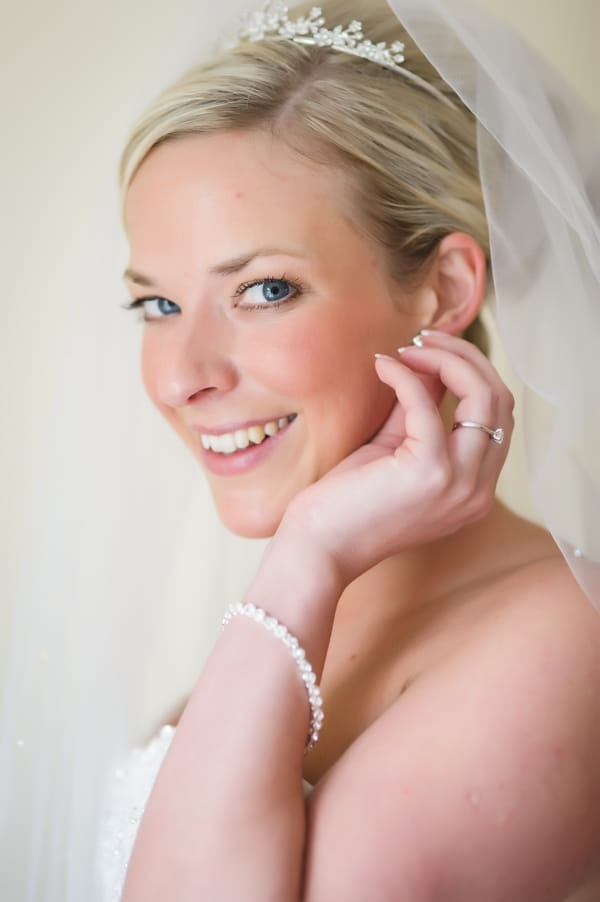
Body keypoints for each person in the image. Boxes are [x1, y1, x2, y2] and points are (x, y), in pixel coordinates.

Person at [1, 1, 598, 900]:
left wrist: (306, 557)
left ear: (443, 289)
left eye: (263, 288)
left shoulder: (569, 641)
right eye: (156, 305)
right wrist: (307, 562)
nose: (180, 378)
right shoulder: (310, 610)